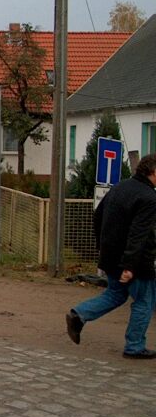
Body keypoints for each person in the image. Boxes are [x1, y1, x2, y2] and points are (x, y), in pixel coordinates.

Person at [66, 153, 156, 359]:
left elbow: (98, 216)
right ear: (153, 171)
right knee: (144, 301)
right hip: (136, 261)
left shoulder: (120, 187)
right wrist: (130, 266)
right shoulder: (149, 198)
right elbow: (138, 235)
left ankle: (78, 314)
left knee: (115, 294)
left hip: (111, 255)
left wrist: (103, 247)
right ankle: (135, 346)